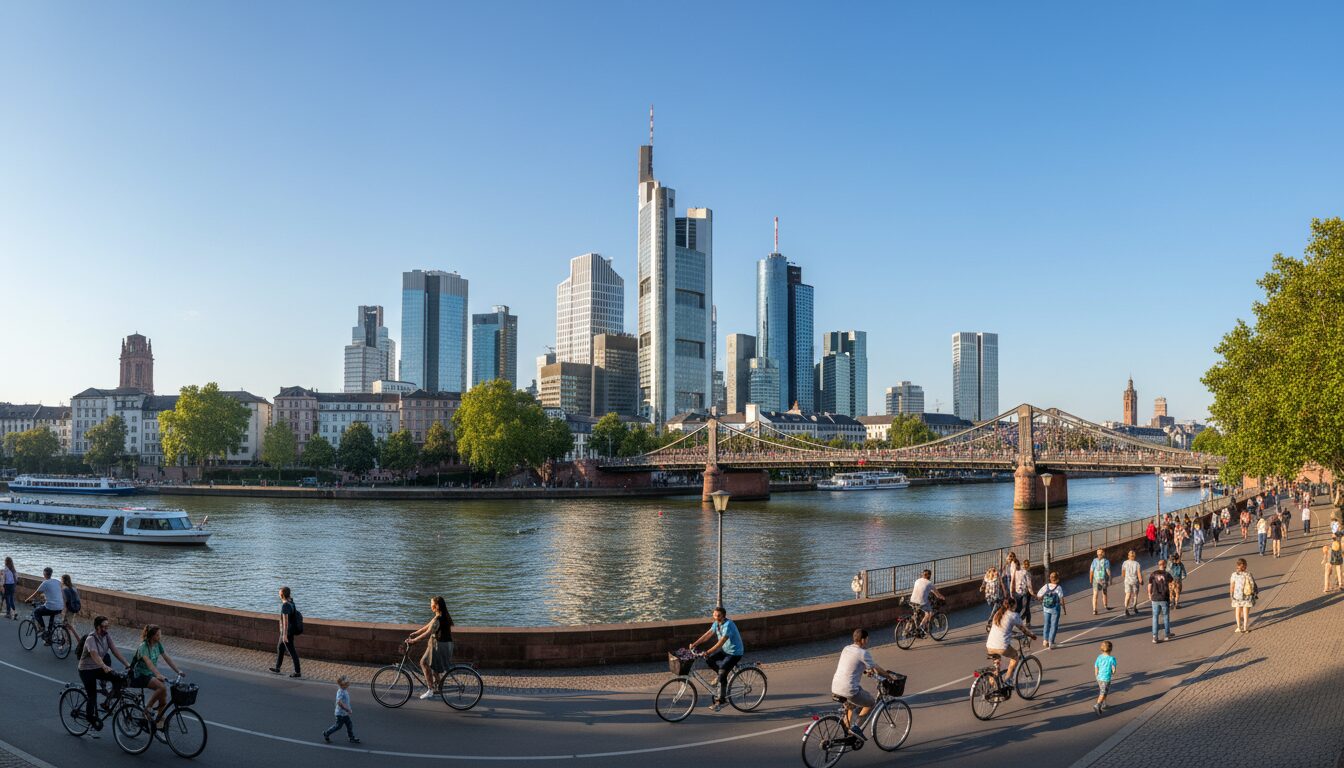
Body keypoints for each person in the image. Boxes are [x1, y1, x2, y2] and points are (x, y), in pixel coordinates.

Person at [830, 629, 898, 738]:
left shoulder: (846, 648)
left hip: (836, 687)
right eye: (867, 639)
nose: (867, 640)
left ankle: (846, 732)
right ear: (863, 640)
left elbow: (852, 665)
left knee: (851, 706)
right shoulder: (863, 653)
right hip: (849, 689)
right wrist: (888, 676)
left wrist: (866, 671)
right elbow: (876, 667)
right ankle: (856, 728)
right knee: (871, 703)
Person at [78, 615, 131, 733]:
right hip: (86, 670)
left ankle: (106, 703)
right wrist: (103, 666)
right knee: (92, 696)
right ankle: (90, 718)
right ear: (97, 627)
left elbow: (115, 650)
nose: (106, 629)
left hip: (99, 667)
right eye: (104, 627)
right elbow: (94, 654)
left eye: (108, 627)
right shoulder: (91, 639)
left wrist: (127, 664)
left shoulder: (106, 636)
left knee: (118, 679)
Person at [129, 624, 185, 731]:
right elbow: (149, 663)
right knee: (161, 687)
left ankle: (159, 721)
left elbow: (166, 657)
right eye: (158, 634)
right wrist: (158, 674)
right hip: (139, 675)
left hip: (149, 674)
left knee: (163, 695)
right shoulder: (143, 647)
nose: (160, 636)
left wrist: (178, 671)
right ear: (152, 636)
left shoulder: (157, 644)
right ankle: (147, 710)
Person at [688, 606, 743, 712]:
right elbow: (707, 635)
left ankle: (722, 701)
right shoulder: (716, 623)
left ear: (723, 616)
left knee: (722, 671)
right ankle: (721, 677)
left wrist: (707, 651)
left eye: (718, 615)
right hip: (725, 650)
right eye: (714, 615)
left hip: (734, 653)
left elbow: (720, 643)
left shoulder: (728, 625)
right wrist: (694, 644)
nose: (715, 617)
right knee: (708, 659)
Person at [406, 596, 453, 700]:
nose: (430, 605)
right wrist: (415, 633)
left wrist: (414, 641)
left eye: (431, 603)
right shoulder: (440, 615)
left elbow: (428, 633)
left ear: (436, 606)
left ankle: (430, 690)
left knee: (423, 662)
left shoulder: (439, 619)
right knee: (432, 666)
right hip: (440, 644)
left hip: (440, 646)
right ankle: (438, 685)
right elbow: (427, 626)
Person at [986, 597, 1036, 686]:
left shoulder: (998, 614)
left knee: (996, 666)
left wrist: (1011, 632)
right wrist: (1032, 636)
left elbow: (1003, 628)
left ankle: (993, 687)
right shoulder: (1014, 615)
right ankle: (1008, 679)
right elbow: (1024, 629)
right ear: (1013, 605)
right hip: (1001, 646)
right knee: (1015, 657)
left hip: (990, 645)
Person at [268, 586, 301, 678]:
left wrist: (285, 635)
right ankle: (277, 668)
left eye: (279, 593)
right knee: (280, 648)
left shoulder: (285, 605)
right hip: (287, 631)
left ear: (282, 595)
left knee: (292, 652)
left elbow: (286, 621)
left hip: (287, 632)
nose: (278, 594)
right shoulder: (291, 602)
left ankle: (297, 672)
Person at [23, 567, 64, 641]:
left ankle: (42, 627)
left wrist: (27, 600)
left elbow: (35, 594)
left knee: (36, 612)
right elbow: (54, 592)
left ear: (44, 574)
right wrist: (46, 597)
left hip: (51, 606)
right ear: (51, 574)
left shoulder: (45, 583)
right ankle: (49, 637)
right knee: (52, 615)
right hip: (60, 606)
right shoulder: (57, 581)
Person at [321, 675, 360, 744]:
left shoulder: (344, 690)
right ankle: (326, 733)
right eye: (347, 683)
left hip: (343, 713)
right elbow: (339, 702)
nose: (349, 684)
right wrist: (347, 709)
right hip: (341, 714)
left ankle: (351, 738)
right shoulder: (341, 692)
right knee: (338, 726)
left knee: (349, 724)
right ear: (343, 685)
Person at [1036, 571, 1067, 649]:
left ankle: (1045, 640)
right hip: (1055, 609)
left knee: (1046, 624)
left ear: (1050, 579)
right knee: (1054, 625)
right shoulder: (1058, 588)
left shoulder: (1046, 586)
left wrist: (1043, 600)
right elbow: (1061, 599)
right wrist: (1064, 608)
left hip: (1046, 608)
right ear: (1057, 579)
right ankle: (1051, 642)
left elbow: (1038, 595)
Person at [1147, 559, 1174, 643]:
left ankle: (1155, 636)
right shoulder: (1167, 574)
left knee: (1155, 617)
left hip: (1155, 597)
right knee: (1165, 616)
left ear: (1158, 565)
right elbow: (1172, 584)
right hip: (1164, 598)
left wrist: (1149, 594)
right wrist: (1171, 593)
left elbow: (1149, 585)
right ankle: (1166, 635)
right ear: (1165, 565)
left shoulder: (1153, 574)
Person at [1229, 558, 1255, 633]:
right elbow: (1252, 585)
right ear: (1245, 566)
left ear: (1237, 566)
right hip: (1247, 596)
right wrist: (1252, 594)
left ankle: (1239, 627)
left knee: (1237, 612)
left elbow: (1232, 586)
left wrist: (1231, 595)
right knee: (1245, 612)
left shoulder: (1234, 575)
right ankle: (1245, 627)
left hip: (1237, 596)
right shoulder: (1248, 574)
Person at [1093, 640, 1116, 716]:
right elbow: (1113, 669)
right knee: (1103, 692)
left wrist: (1096, 674)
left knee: (1103, 691)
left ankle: (1104, 704)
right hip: (1106, 678)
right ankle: (1098, 704)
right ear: (1111, 649)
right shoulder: (1112, 659)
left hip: (1099, 677)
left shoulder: (1099, 657)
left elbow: (1096, 666)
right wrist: (1113, 672)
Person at [1088, 549, 1112, 615]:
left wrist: (1110, 579)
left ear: (1103, 554)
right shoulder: (1096, 561)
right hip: (1098, 580)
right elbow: (1092, 570)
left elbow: (1092, 570)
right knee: (1098, 594)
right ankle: (1096, 609)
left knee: (1102, 593)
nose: (1099, 554)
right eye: (1098, 553)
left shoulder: (1104, 561)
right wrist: (1110, 579)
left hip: (1101, 580)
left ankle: (1104, 605)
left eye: (1100, 553)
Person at [1120, 550, 1142, 616]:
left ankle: (1126, 608)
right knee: (1135, 595)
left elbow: (1123, 573)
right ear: (1134, 556)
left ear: (1128, 556)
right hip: (1135, 581)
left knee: (1128, 595)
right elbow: (1138, 573)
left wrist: (1126, 577)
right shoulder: (1137, 563)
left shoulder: (1125, 563)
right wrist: (1140, 580)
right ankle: (1135, 607)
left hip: (1127, 581)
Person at [1012, 559, 1034, 625]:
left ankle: (1024, 621)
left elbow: (1029, 584)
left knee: (1024, 607)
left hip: (1023, 592)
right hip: (1020, 591)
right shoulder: (1018, 572)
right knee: (1023, 607)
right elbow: (1013, 582)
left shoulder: (1025, 572)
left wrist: (1031, 592)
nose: (1026, 566)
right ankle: (1022, 620)